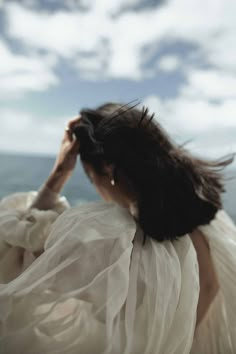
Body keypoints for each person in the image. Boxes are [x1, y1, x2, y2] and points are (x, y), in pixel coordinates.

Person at [0, 102, 235, 354]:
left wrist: (59, 173)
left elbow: (13, 253)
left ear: (108, 169)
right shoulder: (210, 222)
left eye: (90, 176)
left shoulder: (119, 245)